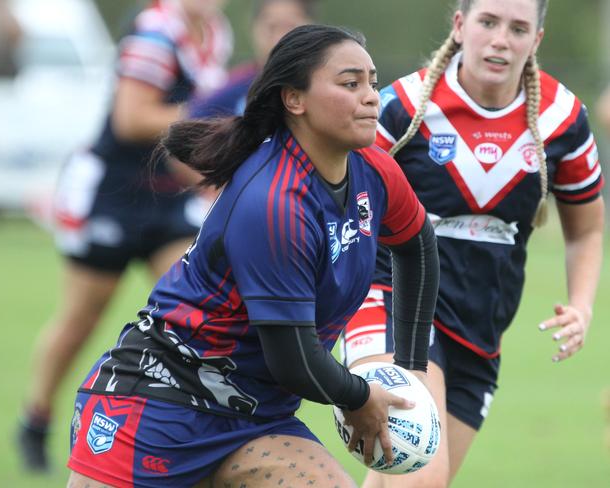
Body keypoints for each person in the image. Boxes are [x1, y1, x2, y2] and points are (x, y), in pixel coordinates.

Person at [65, 24, 441, 487]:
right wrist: (360, 396)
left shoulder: (374, 171)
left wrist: (410, 369)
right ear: (294, 99)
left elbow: (417, 245)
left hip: (255, 417)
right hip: (156, 408)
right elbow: (295, 359)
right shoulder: (276, 202)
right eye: (350, 83)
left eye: (371, 81)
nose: (371, 96)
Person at [341, 0, 605, 486]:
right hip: (391, 298)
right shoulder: (402, 106)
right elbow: (341, 194)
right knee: (417, 472)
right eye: (488, 22)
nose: (501, 39)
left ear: (536, 40)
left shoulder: (564, 120)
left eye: (518, 28)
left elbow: (586, 229)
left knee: (407, 479)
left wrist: (582, 306)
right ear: (460, 26)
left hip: (481, 328)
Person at [17, 0, 233, 472]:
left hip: (168, 196)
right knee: (81, 318)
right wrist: (215, 115)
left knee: (197, 309)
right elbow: (131, 119)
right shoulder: (156, 33)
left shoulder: (215, 33)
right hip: (111, 195)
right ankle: (35, 421)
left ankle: (192, 432)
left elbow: (185, 135)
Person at [188, 0, 315, 118]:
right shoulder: (232, 89)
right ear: (254, 28)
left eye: (289, 27)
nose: (280, 38)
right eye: (272, 27)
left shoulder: (322, 88)